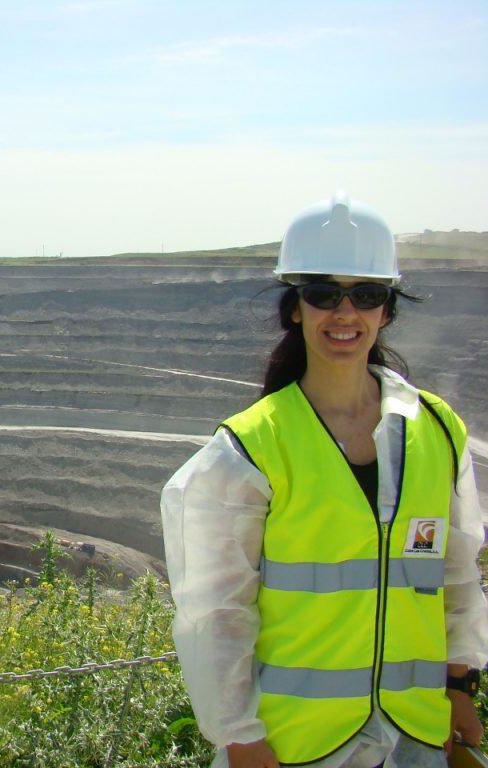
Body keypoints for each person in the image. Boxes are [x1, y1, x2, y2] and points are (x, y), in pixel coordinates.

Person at [161, 193, 488, 768]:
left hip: (416, 736)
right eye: (322, 295)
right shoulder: (249, 448)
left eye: (366, 295)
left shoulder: (438, 430)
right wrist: (239, 736)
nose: (345, 313)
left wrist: (460, 688)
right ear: (296, 309)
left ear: (387, 310)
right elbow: (216, 614)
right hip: (295, 745)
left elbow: (457, 575)